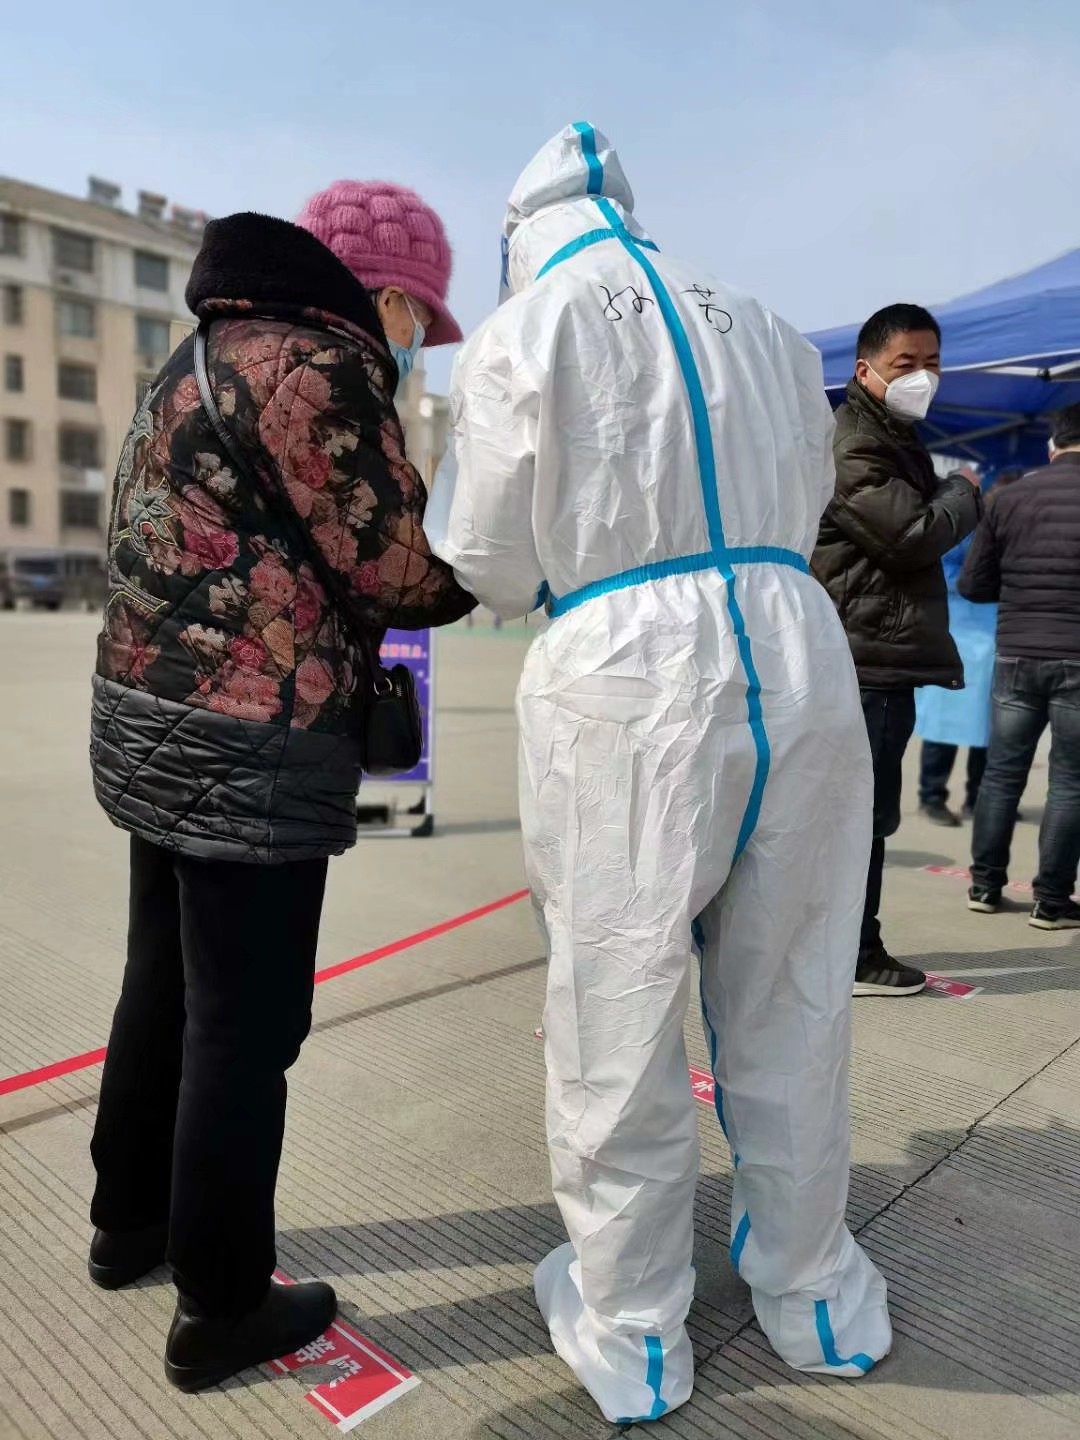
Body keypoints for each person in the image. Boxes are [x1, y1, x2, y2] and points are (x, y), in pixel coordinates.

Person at [427, 122, 891, 1425]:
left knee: (618, 1005)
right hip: (796, 644)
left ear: (520, 230)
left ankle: (634, 1330)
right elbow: (811, 493)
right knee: (796, 984)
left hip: (626, 669)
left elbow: (487, 557)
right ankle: (813, 1294)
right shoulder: (764, 322)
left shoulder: (525, 329)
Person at [88, 183, 474, 1391]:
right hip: (250, 737)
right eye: (421, 318)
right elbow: (402, 571)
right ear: (388, 294)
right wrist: (495, 553)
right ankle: (222, 1303)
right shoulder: (321, 366)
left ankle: (128, 1224)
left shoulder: (200, 351)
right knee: (245, 1030)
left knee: (162, 985)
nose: (418, 341)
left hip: (149, 713)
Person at [812, 304, 982, 997]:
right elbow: (911, 536)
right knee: (863, 815)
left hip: (874, 647)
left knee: (859, 811)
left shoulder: (892, 434)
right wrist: (962, 491)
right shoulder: (856, 442)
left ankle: (840, 946)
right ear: (865, 370)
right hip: (866, 652)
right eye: (905, 364)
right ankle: (857, 954)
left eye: (932, 363)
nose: (923, 378)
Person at [961, 404, 1080, 928]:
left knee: (1001, 774)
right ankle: (1051, 902)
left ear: (1052, 446)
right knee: (1070, 782)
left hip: (1015, 652)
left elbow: (972, 585)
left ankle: (985, 886)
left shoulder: (1007, 498)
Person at [915, 529, 994, 825]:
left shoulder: (1002, 522)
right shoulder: (961, 528)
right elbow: (939, 570)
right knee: (944, 720)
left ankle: (979, 799)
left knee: (990, 723)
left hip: (994, 630)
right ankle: (931, 796)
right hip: (956, 628)